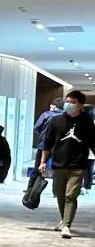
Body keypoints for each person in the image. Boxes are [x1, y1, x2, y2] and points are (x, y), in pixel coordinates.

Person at [41, 90, 95, 238]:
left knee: (71, 195)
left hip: (78, 164)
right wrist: (43, 162)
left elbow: (93, 142)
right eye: (67, 101)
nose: (69, 104)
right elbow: (47, 143)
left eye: (73, 102)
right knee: (59, 194)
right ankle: (64, 219)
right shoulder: (56, 121)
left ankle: (66, 225)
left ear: (81, 105)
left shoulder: (87, 122)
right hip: (59, 163)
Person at [34, 98, 65, 169]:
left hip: (44, 144)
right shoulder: (66, 116)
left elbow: (36, 128)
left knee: (38, 166)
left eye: (51, 105)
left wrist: (42, 134)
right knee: (58, 167)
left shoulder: (46, 115)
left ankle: (36, 175)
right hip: (60, 146)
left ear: (54, 106)